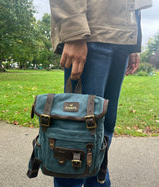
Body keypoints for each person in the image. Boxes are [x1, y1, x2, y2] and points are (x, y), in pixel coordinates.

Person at [48, 0, 152, 186]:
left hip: (121, 37)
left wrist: (134, 43)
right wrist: (74, 33)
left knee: (104, 128)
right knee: (78, 132)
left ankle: (98, 180)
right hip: (91, 33)